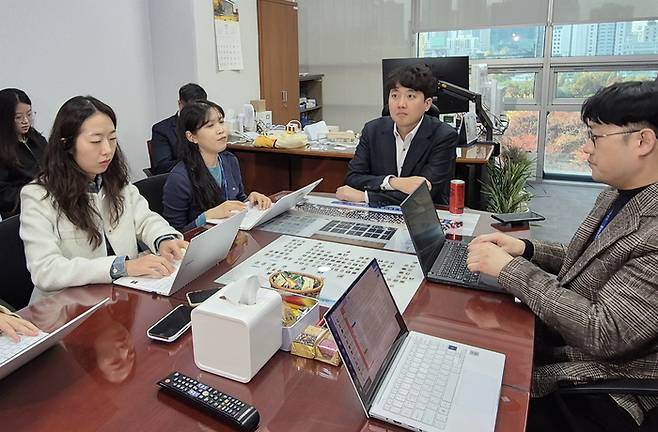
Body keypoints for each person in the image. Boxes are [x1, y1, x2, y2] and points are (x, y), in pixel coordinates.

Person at [467, 81, 658, 431]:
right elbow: (591, 257)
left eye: (596, 137)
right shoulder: (618, 196)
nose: (585, 148)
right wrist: (527, 249)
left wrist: (511, 271)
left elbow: (604, 331)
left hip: (602, 389)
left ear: (643, 141)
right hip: (568, 347)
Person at [20, 96, 188, 304]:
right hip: (66, 310)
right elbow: (46, 270)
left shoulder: (114, 181)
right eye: (96, 141)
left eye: (112, 138)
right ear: (67, 144)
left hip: (121, 297)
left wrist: (163, 238)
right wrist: (120, 267)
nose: (107, 149)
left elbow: (145, 219)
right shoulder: (39, 195)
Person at [336, 64, 457, 207]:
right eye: (395, 95)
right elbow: (352, 178)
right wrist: (394, 182)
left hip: (423, 217)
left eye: (411, 96)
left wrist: (365, 196)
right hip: (377, 216)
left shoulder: (443, 136)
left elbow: (422, 195)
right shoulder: (372, 130)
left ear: (427, 104)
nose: (401, 104)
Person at [162, 100, 271, 232]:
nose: (221, 130)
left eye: (221, 121)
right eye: (209, 126)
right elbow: (174, 235)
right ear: (191, 137)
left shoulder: (229, 160)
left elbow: (237, 198)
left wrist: (251, 200)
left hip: (232, 236)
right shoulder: (179, 179)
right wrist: (205, 217)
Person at [0, 88, 47, 219]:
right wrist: (35, 190)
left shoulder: (37, 139)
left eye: (29, 114)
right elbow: (4, 196)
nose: (26, 121)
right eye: (18, 117)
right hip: (21, 216)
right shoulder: (3, 149)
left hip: (48, 209)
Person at [150, 83, 207, 174]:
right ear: (180, 104)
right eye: (191, 108)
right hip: (180, 178)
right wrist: (196, 161)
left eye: (201, 108)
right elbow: (162, 167)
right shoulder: (162, 129)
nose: (196, 113)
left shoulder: (208, 125)